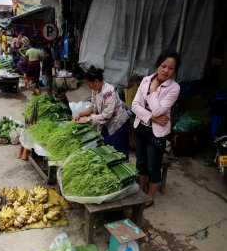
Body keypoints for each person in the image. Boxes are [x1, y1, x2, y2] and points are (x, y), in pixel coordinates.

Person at [131, 49, 181, 208]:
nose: (166, 70)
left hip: (157, 134)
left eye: (171, 68)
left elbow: (160, 110)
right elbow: (134, 105)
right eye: (163, 66)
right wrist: (153, 117)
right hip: (141, 128)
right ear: (158, 65)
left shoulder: (174, 88)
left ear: (175, 70)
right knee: (141, 163)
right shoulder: (146, 79)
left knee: (153, 165)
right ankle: (140, 191)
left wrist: (153, 91)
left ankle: (149, 197)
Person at [74, 66, 130, 159]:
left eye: (89, 84)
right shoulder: (95, 90)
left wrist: (88, 119)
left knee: (118, 153)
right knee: (105, 147)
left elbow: (106, 116)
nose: (88, 86)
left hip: (118, 124)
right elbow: (93, 106)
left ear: (96, 81)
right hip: (106, 124)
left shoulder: (109, 92)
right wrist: (80, 114)